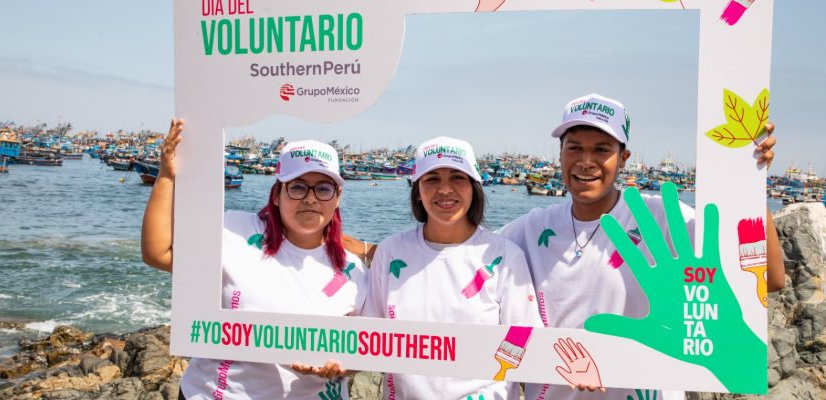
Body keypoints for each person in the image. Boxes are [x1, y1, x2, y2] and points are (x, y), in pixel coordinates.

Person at [495, 93, 782, 400]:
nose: (586, 161)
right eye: (574, 148)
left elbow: (771, 278)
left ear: (623, 158)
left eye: (601, 150)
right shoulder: (531, 229)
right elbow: (462, 256)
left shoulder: (662, 220)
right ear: (560, 154)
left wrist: (750, 181)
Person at [141, 119, 365, 400]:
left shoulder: (354, 271)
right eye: (297, 187)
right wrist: (166, 176)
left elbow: (360, 352)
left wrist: (340, 366)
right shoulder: (233, 231)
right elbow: (158, 252)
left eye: (323, 188)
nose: (310, 199)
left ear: (338, 197)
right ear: (276, 194)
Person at [362, 136, 543, 399]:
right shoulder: (391, 253)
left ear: (474, 186)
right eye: (432, 178)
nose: (445, 190)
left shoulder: (504, 257)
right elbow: (371, 336)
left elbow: (524, 337)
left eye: (457, 177)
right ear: (417, 190)